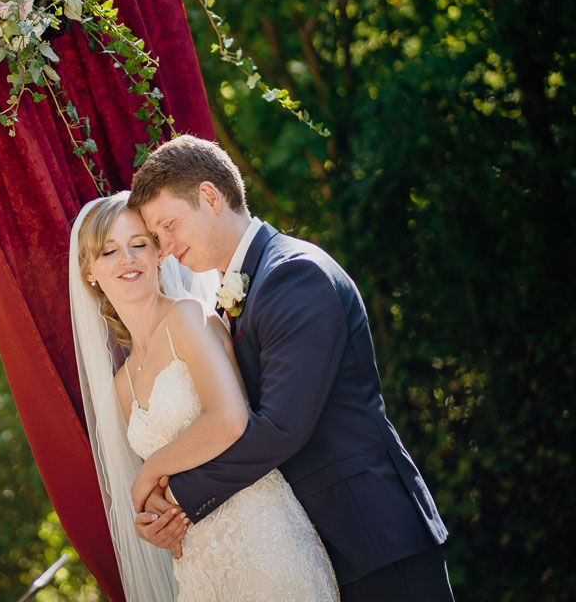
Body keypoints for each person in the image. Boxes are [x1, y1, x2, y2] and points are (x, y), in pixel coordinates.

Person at [127, 134, 451, 602]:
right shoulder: (240, 289)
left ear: (210, 197)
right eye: (157, 238)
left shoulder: (292, 275)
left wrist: (173, 495)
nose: (166, 249)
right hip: (321, 546)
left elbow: (281, 426)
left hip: (374, 537)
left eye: (169, 226)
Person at [70, 191, 339, 601]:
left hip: (262, 543)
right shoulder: (122, 384)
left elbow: (230, 420)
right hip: (196, 567)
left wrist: (148, 474)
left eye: (139, 244)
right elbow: (166, 490)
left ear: (159, 255)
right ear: (90, 270)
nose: (127, 258)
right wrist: (152, 522)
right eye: (109, 251)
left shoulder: (187, 317)